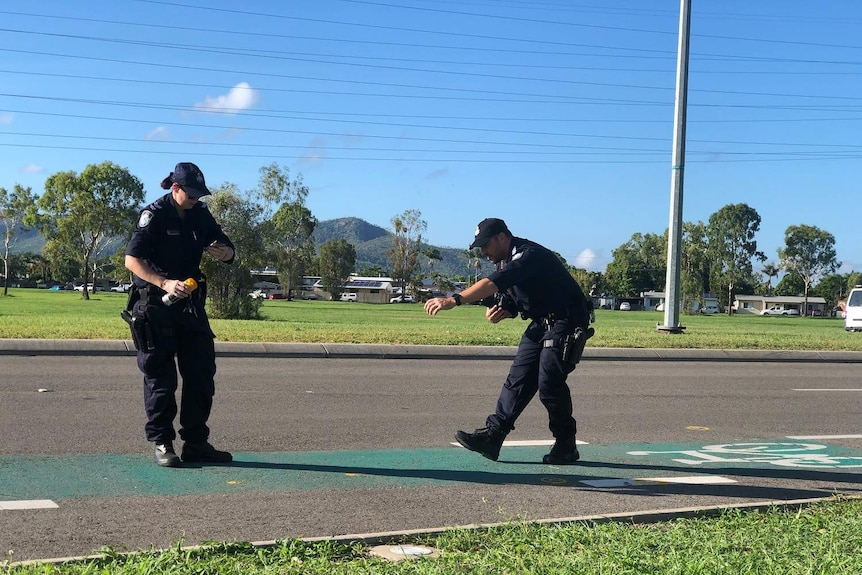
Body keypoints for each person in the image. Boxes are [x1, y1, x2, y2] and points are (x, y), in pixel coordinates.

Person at [424, 218, 593, 465]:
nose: (483, 252)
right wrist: (507, 309)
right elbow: (518, 295)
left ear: (502, 238)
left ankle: (566, 444)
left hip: (566, 320)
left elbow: (493, 284)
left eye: (485, 245)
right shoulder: (506, 260)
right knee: (518, 378)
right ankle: (493, 436)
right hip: (541, 323)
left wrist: (454, 300)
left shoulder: (529, 255)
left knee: (549, 383)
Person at [124, 162, 236, 467]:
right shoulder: (155, 214)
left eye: (200, 195)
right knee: (161, 379)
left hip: (189, 306)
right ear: (176, 188)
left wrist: (226, 252)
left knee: (201, 373)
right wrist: (164, 281)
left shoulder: (200, 213)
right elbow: (132, 260)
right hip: (155, 305)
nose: (195, 199)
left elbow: (225, 245)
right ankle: (162, 442)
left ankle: (196, 443)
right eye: (190, 194)